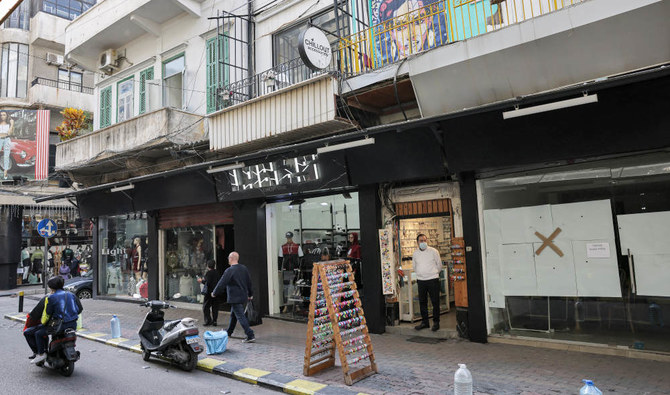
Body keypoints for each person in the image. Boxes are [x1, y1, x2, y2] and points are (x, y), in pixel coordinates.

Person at [32, 276, 83, 364]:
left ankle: (41, 354)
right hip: (73, 325)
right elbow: (79, 309)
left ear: (51, 287)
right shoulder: (71, 294)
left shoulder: (52, 297)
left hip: (58, 326)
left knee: (38, 333)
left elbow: (48, 312)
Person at [211, 252, 255, 343]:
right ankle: (229, 332)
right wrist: (250, 294)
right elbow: (249, 282)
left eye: (228, 258)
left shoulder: (229, 270)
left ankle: (250, 334)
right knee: (233, 315)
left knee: (240, 316)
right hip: (243, 296)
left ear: (231, 258)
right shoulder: (244, 269)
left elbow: (222, 283)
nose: (228, 260)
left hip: (234, 297)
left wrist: (214, 293)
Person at [412, 233, 442, 331]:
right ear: (417, 242)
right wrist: (420, 274)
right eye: (421, 241)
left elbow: (439, 265)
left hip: (433, 279)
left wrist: (433, 273)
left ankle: (436, 322)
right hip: (421, 280)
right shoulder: (415, 253)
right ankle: (425, 322)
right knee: (422, 302)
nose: (423, 242)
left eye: (425, 240)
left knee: (435, 302)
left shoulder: (434, 251)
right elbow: (414, 266)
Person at [198, 259, 221, 326]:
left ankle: (208, 320)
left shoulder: (208, 273)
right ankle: (214, 321)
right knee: (215, 307)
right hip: (216, 292)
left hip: (209, 293)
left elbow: (207, 282)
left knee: (205, 307)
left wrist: (201, 281)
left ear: (208, 266)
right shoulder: (217, 272)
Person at [23, 295, 47, 359]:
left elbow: (35, 315)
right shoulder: (70, 296)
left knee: (36, 333)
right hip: (70, 324)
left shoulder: (49, 298)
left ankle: (40, 353)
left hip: (52, 325)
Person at [0, 110, 14, 180]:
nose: (2, 116)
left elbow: (9, 133)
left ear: (6, 116)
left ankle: (5, 172)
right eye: (1, 115)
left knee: (6, 156)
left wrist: (12, 124)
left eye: (4, 115)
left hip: (7, 139)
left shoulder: (9, 124)